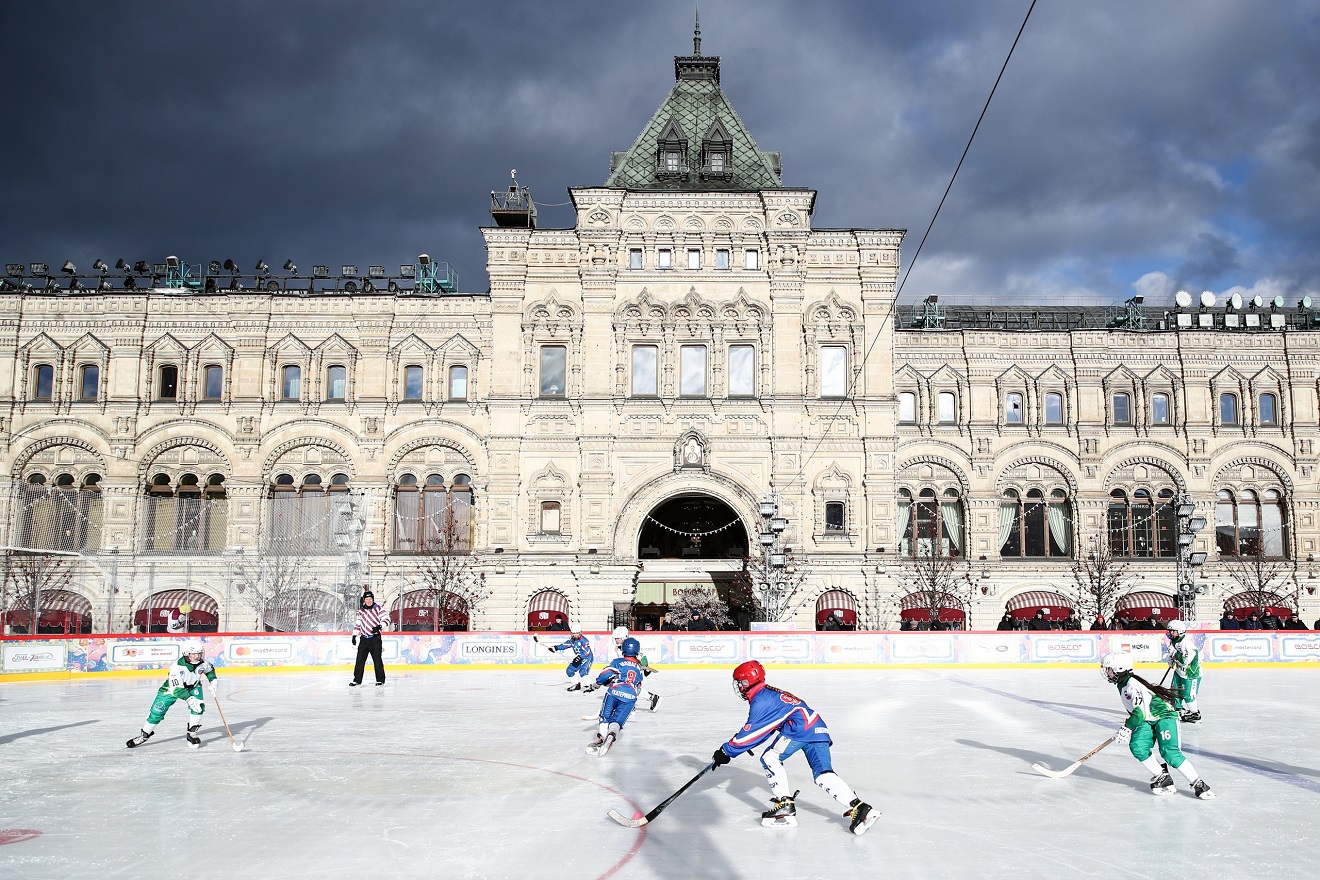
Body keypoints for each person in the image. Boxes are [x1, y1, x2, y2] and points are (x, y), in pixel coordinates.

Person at [710, 661, 879, 835]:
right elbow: (767, 728)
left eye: (740, 682)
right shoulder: (770, 693)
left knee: (770, 758)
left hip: (799, 730)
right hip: (817, 728)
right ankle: (861, 808)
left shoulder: (761, 699)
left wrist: (725, 752)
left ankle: (785, 806)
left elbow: (751, 733)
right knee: (823, 775)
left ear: (747, 682)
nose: (739, 687)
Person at [1100, 652, 1214, 799]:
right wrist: (1128, 726)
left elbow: (1139, 713)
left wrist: (1127, 728)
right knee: (1138, 746)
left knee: (1169, 752)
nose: (1107, 672)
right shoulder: (1123, 684)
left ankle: (1198, 784)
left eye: (1109, 669)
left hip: (1164, 717)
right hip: (1148, 718)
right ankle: (1162, 776)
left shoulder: (1131, 684)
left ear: (1120, 668)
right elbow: (1139, 712)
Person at [126, 639, 217, 749]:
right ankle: (144, 735)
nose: (198, 656)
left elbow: (209, 669)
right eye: (194, 654)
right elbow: (176, 690)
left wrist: (213, 681)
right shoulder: (177, 668)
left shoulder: (202, 663)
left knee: (199, 707)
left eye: (199, 653)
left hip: (194, 687)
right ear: (186, 654)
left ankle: (192, 733)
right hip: (171, 689)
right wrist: (189, 699)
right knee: (157, 711)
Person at [583, 637, 646, 755]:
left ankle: (602, 738)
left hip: (614, 692)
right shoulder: (639, 668)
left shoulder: (618, 662)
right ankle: (611, 734)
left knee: (604, 717)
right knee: (617, 721)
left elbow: (605, 674)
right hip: (630, 698)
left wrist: (597, 684)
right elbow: (638, 687)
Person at [609, 626, 659, 711]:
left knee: (631, 687)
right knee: (630, 687)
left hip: (633, 672)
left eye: (619, 638)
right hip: (626, 672)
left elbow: (642, 656)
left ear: (624, 637)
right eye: (616, 638)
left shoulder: (630, 646)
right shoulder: (618, 649)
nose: (617, 640)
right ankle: (653, 698)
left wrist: (645, 667)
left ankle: (631, 705)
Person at [1165, 620, 1202, 723]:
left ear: (1180, 631)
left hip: (1191, 674)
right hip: (1179, 671)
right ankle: (1178, 709)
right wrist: (1171, 660)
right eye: (1170, 631)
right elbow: (1173, 654)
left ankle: (1195, 714)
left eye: (1173, 631)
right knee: (1174, 691)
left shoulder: (1187, 644)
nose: (1171, 633)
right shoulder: (1174, 641)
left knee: (1188, 695)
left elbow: (1185, 661)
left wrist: (1174, 654)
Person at [350, 591, 387, 687]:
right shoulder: (361, 611)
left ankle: (380, 680)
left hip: (375, 638)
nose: (369, 601)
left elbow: (387, 619)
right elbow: (358, 624)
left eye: (370, 599)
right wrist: (354, 635)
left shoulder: (378, 608)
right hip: (364, 639)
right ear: (364, 600)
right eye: (367, 599)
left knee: (377, 660)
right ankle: (357, 680)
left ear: (373, 599)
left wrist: (379, 626)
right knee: (360, 660)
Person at [549, 623, 594, 691]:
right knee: (569, 670)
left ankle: (590, 686)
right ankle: (576, 685)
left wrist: (580, 657)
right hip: (578, 657)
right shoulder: (572, 640)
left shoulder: (584, 641)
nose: (575, 635)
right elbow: (564, 645)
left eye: (577, 633)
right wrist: (556, 647)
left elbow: (587, 652)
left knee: (583, 671)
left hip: (587, 657)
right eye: (573, 633)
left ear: (580, 632)